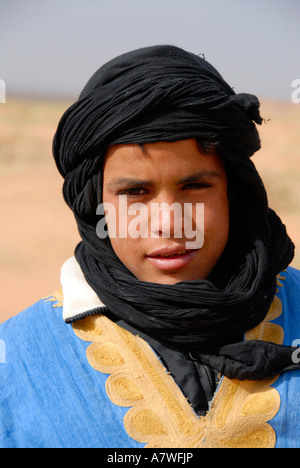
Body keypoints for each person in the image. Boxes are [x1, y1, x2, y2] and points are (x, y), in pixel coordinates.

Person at [0, 45, 299, 449]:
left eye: (195, 186)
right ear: (95, 203)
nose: (168, 222)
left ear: (234, 191)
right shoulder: (17, 361)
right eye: (135, 192)